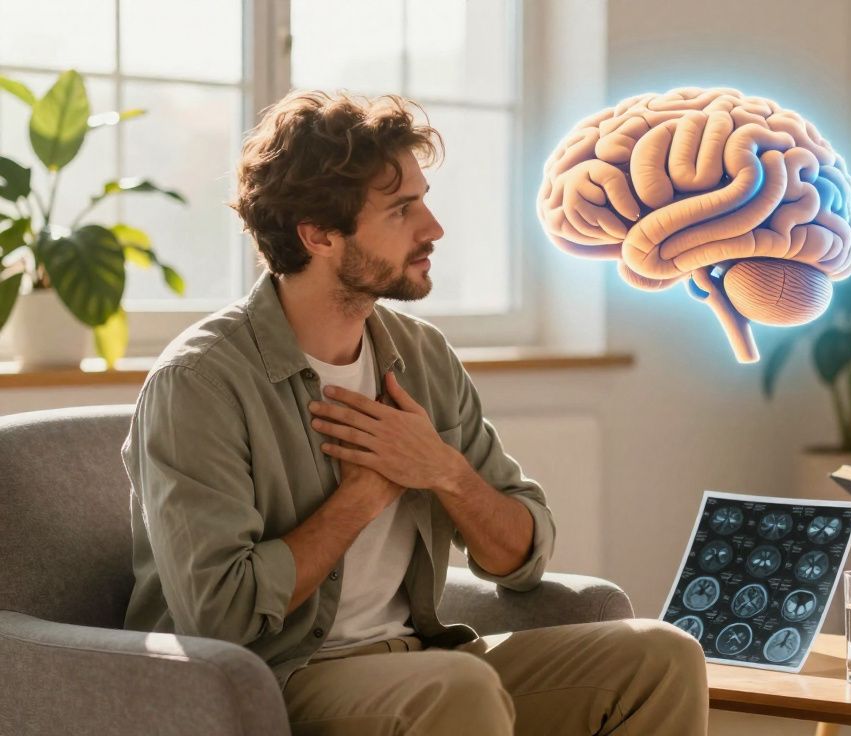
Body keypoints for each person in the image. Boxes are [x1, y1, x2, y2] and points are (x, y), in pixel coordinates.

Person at [121, 90, 708, 735]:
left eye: (423, 201)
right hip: (275, 680)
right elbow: (219, 615)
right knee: (455, 688)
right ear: (318, 235)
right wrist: (365, 494)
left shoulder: (421, 356)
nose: (433, 228)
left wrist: (444, 471)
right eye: (402, 210)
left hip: (427, 659)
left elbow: (523, 557)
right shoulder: (200, 383)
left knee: (661, 656)